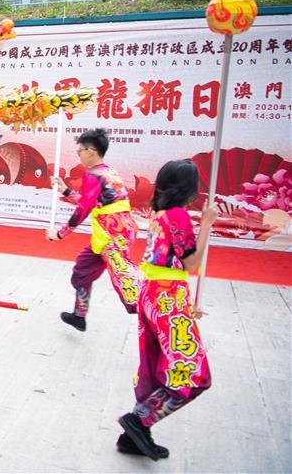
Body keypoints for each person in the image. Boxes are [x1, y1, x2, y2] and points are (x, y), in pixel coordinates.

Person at [117, 160, 215, 460]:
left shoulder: (160, 215)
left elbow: (170, 264)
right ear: (188, 188)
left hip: (154, 294)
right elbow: (190, 263)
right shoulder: (177, 217)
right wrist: (207, 225)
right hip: (168, 298)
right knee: (193, 374)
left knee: (157, 363)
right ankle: (140, 419)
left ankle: (134, 436)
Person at [47, 128, 139, 331]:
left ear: (91, 151)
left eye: (80, 150)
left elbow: (84, 208)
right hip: (111, 233)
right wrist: (66, 190)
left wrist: (60, 233)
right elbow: (91, 203)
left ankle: (154, 313)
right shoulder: (107, 172)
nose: (78, 154)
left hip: (113, 236)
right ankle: (79, 316)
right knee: (82, 271)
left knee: (126, 283)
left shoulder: (94, 175)